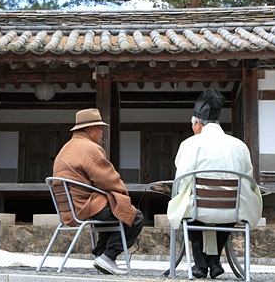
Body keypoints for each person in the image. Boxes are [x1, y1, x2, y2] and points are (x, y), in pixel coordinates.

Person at [167, 89, 263, 279]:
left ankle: (201, 265)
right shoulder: (239, 145)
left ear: (198, 124)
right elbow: (248, 179)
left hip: (199, 211)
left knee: (189, 206)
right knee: (220, 210)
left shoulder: (190, 144)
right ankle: (212, 261)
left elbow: (182, 179)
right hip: (232, 212)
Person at [53, 108, 144, 275]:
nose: (102, 133)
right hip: (85, 206)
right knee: (135, 216)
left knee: (112, 209)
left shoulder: (66, 148)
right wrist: (123, 193)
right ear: (90, 129)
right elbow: (108, 179)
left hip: (71, 208)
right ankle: (108, 256)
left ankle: (101, 254)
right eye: (100, 128)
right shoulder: (89, 148)